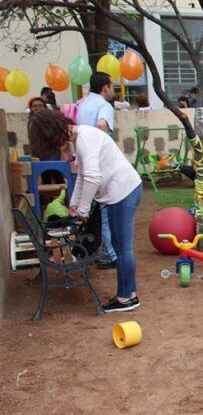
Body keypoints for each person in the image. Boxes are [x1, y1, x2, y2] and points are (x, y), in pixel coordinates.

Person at [28, 110, 142, 313]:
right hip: (119, 192)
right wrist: (74, 204)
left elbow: (92, 178)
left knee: (122, 247)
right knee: (119, 245)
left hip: (123, 191)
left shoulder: (85, 139)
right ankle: (128, 295)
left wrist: (83, 210)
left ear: (53, 134)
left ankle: (126, 298)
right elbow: (82, 176)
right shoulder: (81, 138)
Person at [78, 72, 117, 270]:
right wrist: (98, 143)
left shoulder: (83, 104)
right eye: (112, 86)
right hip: (99, 164)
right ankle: (109, 255)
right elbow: (102, 125)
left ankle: (97, 249)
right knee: (105, 212)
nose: (113, 90)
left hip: (84, 162)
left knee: (94, 212)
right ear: (105, 87)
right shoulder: (104, 106)